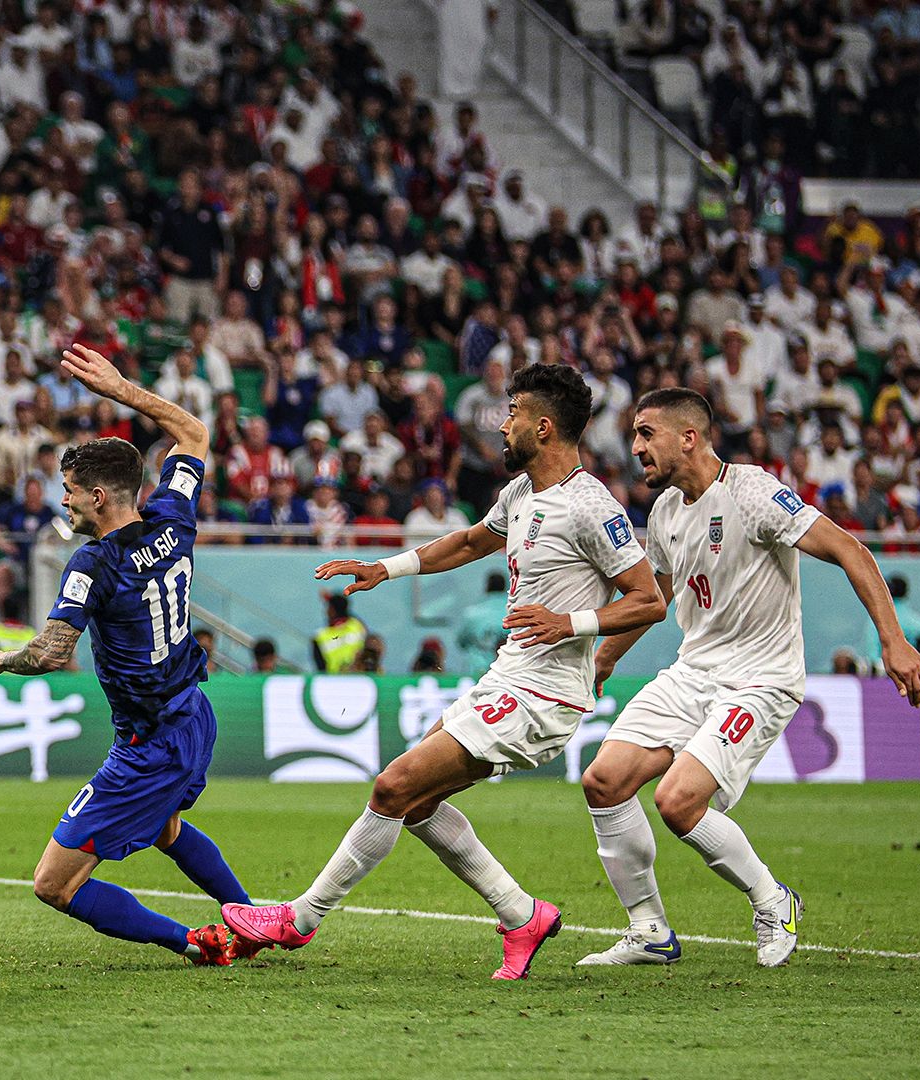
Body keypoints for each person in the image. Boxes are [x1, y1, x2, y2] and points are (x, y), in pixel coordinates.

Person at [225, 363, 666, 978]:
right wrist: (386, 569)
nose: (502, 425)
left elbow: (648, 599)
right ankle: (521, 914)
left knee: (392, 787)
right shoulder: (520, 494)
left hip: (545, 693)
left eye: (512, 414)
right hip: (508, 678)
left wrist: (573, 626)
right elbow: (463, 544)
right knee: (418, 803)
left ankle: (301, 918)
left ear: (543, 427)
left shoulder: (592, 506)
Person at [578, 389, 920, 968]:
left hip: (760, 679)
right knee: (604, 781)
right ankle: (648, 931)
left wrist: (893, 641)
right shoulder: (666, 511)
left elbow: (850, 549)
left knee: (676, 801)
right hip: (694, 672)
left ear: (688, 437)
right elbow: (657, 596)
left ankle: (774, 901)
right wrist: (605, 657)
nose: (635, 446)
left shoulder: (754, 494)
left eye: (647, 434)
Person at [0, 343, 252, 968]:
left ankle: (193, 941)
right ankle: (256, 920)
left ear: (100, 497)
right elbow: (194, 432)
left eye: (71, 491)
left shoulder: (94, 563)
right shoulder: (173, 518)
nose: (63, 501)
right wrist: (123, 390)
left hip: (150, 742)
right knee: (164, 830)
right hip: (192, 716)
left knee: (55, 884)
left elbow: (50, 653)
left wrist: (2, 660)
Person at [312, 593, 368, 672]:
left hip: (336, 680)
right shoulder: (357, 626)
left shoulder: (320, 636)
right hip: (356, 678)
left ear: (332, 610)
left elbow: (321, 668)